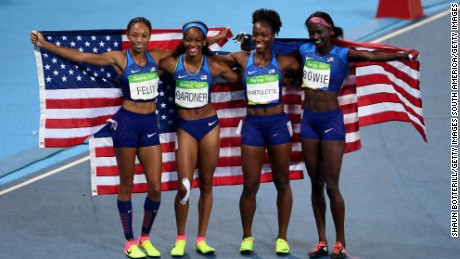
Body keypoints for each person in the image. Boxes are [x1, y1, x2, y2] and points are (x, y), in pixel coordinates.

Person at [30, 17, 228, 259]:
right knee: (127, 185)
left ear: (150, 36)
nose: (139, 40)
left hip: (149, 126)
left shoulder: (158, 57)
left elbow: (192, 50)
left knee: (155, 188)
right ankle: (129, 240)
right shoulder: (119, 58)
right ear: (129, 36)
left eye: (143, 35)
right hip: (126, 126)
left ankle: (145, 237)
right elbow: (81, 57)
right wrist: (46, 45)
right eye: (134, 35)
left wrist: (216, 39)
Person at [298, 11, 418, 259]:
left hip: (331, 124)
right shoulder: (303, 51)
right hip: (308, 124)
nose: (315, 37)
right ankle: (321, 241)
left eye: (319, 32)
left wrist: (403, 54)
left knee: (332, 185)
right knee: (315, 184)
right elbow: (276, 51)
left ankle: (340, 243)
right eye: (311, 33)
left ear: (330, 31)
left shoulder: (343, 54)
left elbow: (371, 55)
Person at [215, 8, 301, 255]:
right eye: (255, 34)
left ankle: (282, 238)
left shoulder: (285, 62)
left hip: (277, 127)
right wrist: (213, 41)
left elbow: (310, 61)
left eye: (264, 34)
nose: (259, 39)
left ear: (274, 36)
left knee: (282, 182)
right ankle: (247, 236)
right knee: (250, 184)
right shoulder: (242, 59)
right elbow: (212, 61)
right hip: (253, 127)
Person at [158, 21, 241, 257]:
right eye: (188, 40)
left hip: (209, 127)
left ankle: (201, 239)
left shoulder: (214, 66)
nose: (192, 44)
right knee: (184, 186)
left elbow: (244, 79)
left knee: (206, 183)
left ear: (203, 42)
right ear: (183, 42)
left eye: (197, 40)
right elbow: (144, 67)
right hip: (185, 128)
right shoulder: (172, 64)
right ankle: (180, 238)